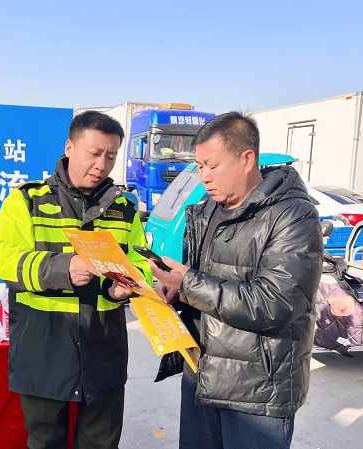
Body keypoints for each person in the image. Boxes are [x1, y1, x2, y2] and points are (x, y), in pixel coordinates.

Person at [150, 111, 323, 449]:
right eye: (199, 167)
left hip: (256, 390)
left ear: (247, 159)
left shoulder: (293, 215)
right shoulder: (208, 209)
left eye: (212, 165)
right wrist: (176, 290)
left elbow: (275, 304)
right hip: (202, 373)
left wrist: (189, 283)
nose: (204, 176)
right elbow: (202, 279)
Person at [0, 110, 151, 449]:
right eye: (94, 153)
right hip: (44, 348)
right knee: (45, 442)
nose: (102, 165)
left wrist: (124, 288)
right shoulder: (28, 199)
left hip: (104, 351)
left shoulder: (124, 208)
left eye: (111, 156)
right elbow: (0, 256)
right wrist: (63, 269)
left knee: (101, 444)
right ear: (70, 147)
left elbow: (140, 263)